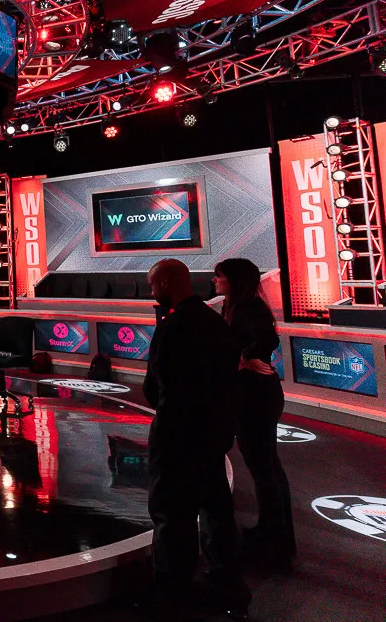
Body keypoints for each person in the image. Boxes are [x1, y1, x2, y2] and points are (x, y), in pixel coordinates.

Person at [143, 258, 249, 619]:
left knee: (172, 515)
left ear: (166, 283)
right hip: (213, 434)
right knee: (217, 512)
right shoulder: (216, 322)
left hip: (177, 436)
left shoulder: (172, 326)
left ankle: (173, 594)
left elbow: (156, 386)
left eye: (153, 285)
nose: (151, 292)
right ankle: (227, 588)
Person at [214, 257, 295, 572]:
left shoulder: (249, 307)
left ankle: (274, 545)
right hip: (251, 395)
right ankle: (275, 535)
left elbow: (267, 339)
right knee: (267, 467)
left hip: (256, 397)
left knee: (264, 470)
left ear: (233, 280)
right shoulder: (234, 306)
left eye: (219, 276)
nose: (215, 280)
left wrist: (246, 359)